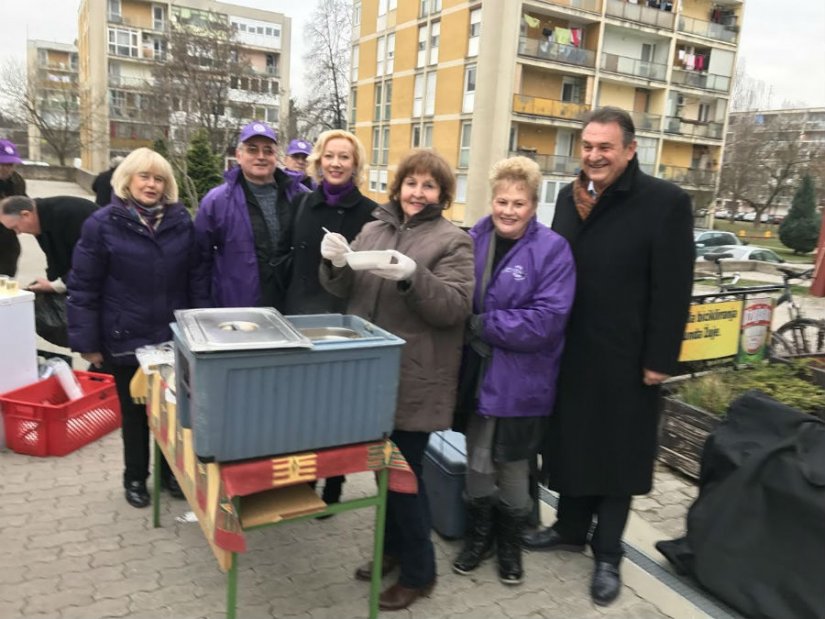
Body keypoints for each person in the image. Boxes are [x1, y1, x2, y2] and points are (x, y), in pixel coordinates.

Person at [522, 107, 695, 606]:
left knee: (617, 455)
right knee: (573, 443)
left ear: (630, 150)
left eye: (605, 148)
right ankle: (570, 529)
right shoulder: (567, 199)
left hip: (628, 355)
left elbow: (673, 289)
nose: (594, 156)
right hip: (571, 351)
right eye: (588, 146)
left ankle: (607, 554)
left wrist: (660, 358)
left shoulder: (664, 203)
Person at [319, 149, 474, 611]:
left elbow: (453, 307)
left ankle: (420, 573)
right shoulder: (373, 228)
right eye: (411, 183)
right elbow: (344, 290)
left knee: (405, 476)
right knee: (382, 470)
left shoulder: (453, 241)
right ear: (398, 186)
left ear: (442, 193)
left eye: (428, 185)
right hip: (367, 374)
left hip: (415, 376)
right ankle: (392, 549)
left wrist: (412, 276)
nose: (417, 192)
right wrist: (334, 263)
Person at [451, 157, 576, 586]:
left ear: (533, 205)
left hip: (523, 381)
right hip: (479, 375)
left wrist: (486, 324)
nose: (508, 210)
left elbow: (548, 319)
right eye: (501, 200)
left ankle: (509, 544)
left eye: (518, 203)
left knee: (513, 466)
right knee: (477, 459)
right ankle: (478, 536)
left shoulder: (553, 250)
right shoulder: (474, 237)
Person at [67, 147, 208, 509]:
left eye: (159, 178)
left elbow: (196, 277)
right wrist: (88, 342)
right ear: (127, 180)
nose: (152, 184)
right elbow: (83, 285)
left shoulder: (180, 223)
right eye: (144, 176)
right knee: (134, 414)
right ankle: (134, 478)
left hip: (171, 337)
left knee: (173, 411)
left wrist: (199, 328)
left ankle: (171, 474)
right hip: (124, 337)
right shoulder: (102, 224)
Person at [278, 129, 377, 505]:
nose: (336, 163)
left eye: (344, 157)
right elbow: (287, 258)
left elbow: (370, 276)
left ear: (355, 165)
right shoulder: (302, 205)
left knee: (335, 409)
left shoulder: (370, 214)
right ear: (319, 161)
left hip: (342, 322)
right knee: (301, 408)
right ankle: (303, 482)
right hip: (299, 318)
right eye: (330, 156)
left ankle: (333, 484)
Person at [195, 120, 303, 308]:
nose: (261, 156)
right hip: (240, 309)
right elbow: (199, 262)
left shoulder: (299, 196)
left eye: (268, 150)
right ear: (239, 155)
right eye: (252, 149)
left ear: (275, 156)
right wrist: (203, 309)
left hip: (292, 308)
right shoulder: (216, 201)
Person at [0, 195, 97, 294]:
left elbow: (91, 261)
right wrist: (51, 284)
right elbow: (55, 258)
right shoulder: (39, 217)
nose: (18, 233)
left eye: (15, 227)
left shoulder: (71, 214)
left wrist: (57, 286)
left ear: (26, 215)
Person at [0, 139, 26, 276]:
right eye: (2, 164)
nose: (6, 169)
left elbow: (25, 204)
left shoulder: (17, 181)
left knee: (6, 283)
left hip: (8, 243)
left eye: (10, 164)